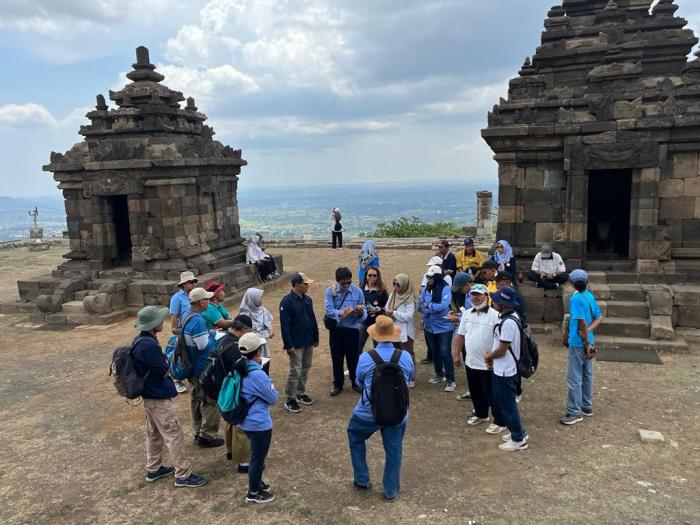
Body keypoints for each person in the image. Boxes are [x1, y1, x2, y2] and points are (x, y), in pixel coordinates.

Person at [132, 306, 206, 488]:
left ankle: (154, 467)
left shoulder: (140, 340)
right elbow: (165, 371)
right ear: (153, 324)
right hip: (159, 398)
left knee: (154, 433)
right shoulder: (148, 345)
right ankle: (183, 473)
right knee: (173, 434)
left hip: (150, 396)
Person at [347, 316, 414, 501]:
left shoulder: (366, 358)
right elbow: (408, 380)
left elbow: (359, 381)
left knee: (355, 436)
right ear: (393, 337)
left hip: (368, 412)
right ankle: (390, 489)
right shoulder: (405, 357)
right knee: (394, 449)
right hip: (397, 412)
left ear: (374, 336)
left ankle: (361, 478)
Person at [484, 287, 528, 452]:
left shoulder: (508, 322)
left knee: (508, 405)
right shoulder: (509, 317)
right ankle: (517, 432)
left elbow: (502, 349)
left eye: (496, 300)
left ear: (503, 304)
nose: (493, 302)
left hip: (505, 370)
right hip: (503, 368)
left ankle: (518, 438)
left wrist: (489, 357)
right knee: (505, 403)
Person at [237, 333, 279, 504]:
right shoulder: (258, 374)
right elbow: (273, 397)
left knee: (257, 455)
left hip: (245, 420)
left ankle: (257, 482)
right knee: (258, 457)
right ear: (258, 352)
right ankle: (253, 493)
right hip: (258, 423)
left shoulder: (239, 367)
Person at [452, 285, 500, 426]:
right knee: (475, 391)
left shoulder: (495, 316)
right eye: (473, 294)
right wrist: (456, 354)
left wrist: (493, 357)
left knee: (492, 394)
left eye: (479, 294)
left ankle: (499, 421)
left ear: (486, 296)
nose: (475, 297)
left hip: (489, 364)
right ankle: (481, 414)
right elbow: (460, 335)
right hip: (471, 361)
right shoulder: (467, 314)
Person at [561, 269, 603, 426]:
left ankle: (574, 411)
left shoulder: (576, 299)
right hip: (588, 340)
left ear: (571, 283)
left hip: (579, 343)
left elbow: (581, 322)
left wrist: (585, 340)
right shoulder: (589, 296)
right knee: (587, 375)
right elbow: (598, 317)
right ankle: (586, 406)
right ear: (587, 282)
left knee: (574, 377)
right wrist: (589, 333)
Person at [184, 287, 223, 448]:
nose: (209, 301)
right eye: (207, 299)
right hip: (202, 367)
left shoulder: (187, 315)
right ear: (201, 302)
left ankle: (197, 430)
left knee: (195, 398)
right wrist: (214, 336)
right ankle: (207, 435)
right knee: (210, 400)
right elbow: (203, 346)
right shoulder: (198, 321)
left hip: (191, 366)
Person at [216, 314, 254, 472]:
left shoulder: (224, 340)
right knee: (241, 424)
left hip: (224, 390)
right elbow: (243, 370)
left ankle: (231, 451)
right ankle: (243, 462)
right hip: (233, 390)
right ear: (244, 329)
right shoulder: (234, 347)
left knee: (230, 423)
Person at [279, 273, 319, 413]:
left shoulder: (307, 300)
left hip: (307, 339)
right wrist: (288, 345)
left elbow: (312, 319)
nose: (307, 286)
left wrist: (316, 337)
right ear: (297, 284)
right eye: (305, 283)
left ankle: (300, 393)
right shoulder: (287, 302)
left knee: (305, 367)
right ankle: (290, 398)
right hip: (296, 342)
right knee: (295, 370)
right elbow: (285, 326)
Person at [325, 267, 367, 396]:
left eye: (349, 282)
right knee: (336, 358)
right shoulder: (330, 292)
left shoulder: (358, 292)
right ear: (337, 281)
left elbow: (364, 315)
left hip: (352, 330)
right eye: (343, 283)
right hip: (337, 330)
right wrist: (342, 312)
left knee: (353, 358)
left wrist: (360, 313)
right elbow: (329, 310)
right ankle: (338, 384)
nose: (346, 285)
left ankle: (355, 382)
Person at [418, 265, 456, 391]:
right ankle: (439, 374)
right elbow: (420, 304)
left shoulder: (445, 288)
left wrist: (428, 306)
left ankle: (451, 380)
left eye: (430, 277)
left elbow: (444, 305)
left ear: (437, 277)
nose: (428, 279)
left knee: (445, 353)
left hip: (444, 327)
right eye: (428, 276)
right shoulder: (426, 289)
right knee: (435, 352)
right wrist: (428, 309)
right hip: (430, 326)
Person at [169, 270, 198, 394]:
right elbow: (174, 316)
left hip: (193, 329)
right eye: (191, 282)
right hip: (182, 330)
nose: (194, 284)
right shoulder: (177, 298)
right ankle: (176, 379)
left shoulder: (193, 295)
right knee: (180, 355)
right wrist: (175, 332)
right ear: (184, 284)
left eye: (194, 282)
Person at [384, 274, 417, 384]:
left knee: (407, 354)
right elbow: (387, 307)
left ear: (404, 285)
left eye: (398, 284)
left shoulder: (409, 299)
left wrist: (393, 313)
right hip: (394, 330)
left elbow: (408, 316)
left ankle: (410, 377)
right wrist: (388, 312)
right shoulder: (393, 294)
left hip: (405, 332)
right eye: (394, 284)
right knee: (395, 354)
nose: (395, 287)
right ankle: (398, 376)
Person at [448, 271, 474, 401]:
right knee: (468, 362)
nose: (459, 291)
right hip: (467, 333)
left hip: (474, 335)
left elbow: (472, 316)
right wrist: (457, 314)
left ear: (467, 284)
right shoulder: (466, 294)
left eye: (460, 288)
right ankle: (472, 389)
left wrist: (456, 318)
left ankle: (475, 391)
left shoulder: (474, 295)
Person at [239, 287, 275, 373]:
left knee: (265, 367)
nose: (261, 300)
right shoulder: (244, 315)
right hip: (251, 348)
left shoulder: (263, 310)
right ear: (252, 299)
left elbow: (269, 326)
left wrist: (271, 331)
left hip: (263, 346)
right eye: (259, 298)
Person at [359, 266, 389, 353]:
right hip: (364, 322)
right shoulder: (361, 289)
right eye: (370, 275)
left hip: (377, 323)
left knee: (379, 348)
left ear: (378, 277)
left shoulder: (382, 291)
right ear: (366, 276)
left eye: (374, 276)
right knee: (358, 346)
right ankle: (358, 365)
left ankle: (379, 366)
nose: (372, 278)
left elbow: (386, 307)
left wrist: (377, 309)